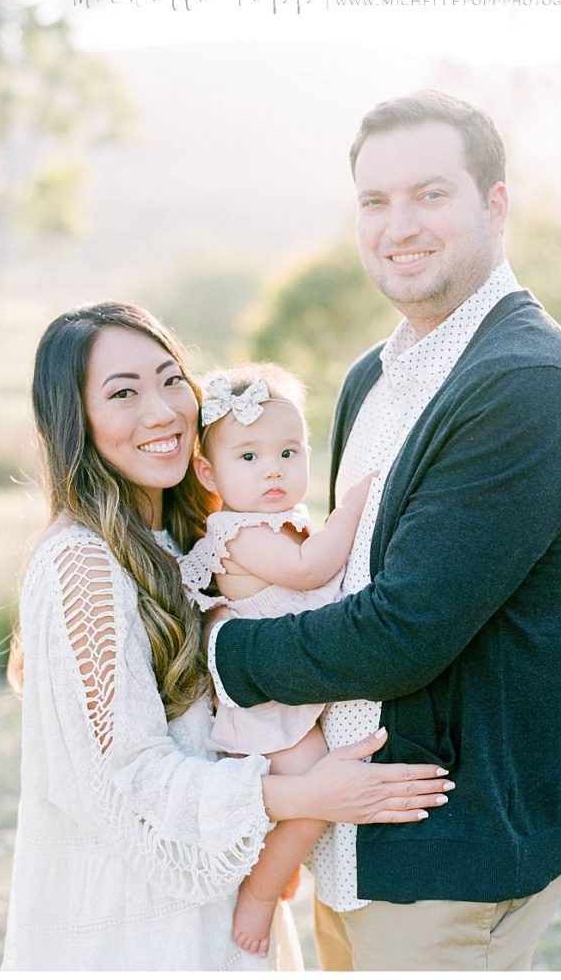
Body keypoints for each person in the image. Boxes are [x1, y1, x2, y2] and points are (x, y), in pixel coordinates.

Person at [207, 90, 561, 970]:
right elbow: (340, 575)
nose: (398, 227)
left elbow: (400, 634)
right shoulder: (372, 377)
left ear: (494, 205)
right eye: (374, 202)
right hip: (350, 845)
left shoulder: (521, 385)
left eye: (430, 194)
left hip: (446, 855)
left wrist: (222, 656)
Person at [1, 301, 453, 971]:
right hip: (136, 931)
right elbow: (121, 783)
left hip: (216, 897)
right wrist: (303, 796)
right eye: (123, 393)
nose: (161, 411)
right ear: (77, 422)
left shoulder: (186, 537)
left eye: (169, 380)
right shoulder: (83, 563)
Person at [178, 362, 382, 957]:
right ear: (208, 471)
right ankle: (263, 894)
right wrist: (353, 509)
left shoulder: (285, 522)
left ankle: (277, 866)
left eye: (290, 452)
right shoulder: (236, 533)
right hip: (268, 712)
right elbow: (310, 571)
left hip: (293, 697)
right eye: (249, 458)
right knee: (317, 797)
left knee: (309, 801)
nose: (274, 469)